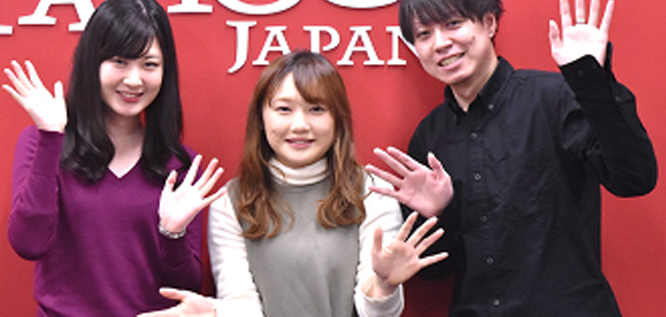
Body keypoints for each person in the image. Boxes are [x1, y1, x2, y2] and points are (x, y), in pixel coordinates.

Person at [365, 0, 658, 316]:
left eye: (453, 23)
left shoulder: (554, 98)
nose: (440, 43)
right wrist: (439, 213)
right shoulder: (430, 135)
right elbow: (437, 271)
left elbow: (634, 179)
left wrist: (591, 80)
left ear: (489, 23)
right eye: (424, 34)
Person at [140, 51, 448, 317]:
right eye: (284, 109)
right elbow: (243, 304)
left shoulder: (372, 191)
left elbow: (377, 313)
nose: (300, 125)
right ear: (262, 119)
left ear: (338, 119)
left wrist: (384, 285)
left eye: (316, 109)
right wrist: (214, 312)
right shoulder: (232, 200)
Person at [2, 0, 227, 316]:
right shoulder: (43, 143)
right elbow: (28, 243)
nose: (134, 80)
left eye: (149, 65)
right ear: (92, 62)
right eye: (120, 62)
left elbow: (185, 288)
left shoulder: (181, 166)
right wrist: (51, 137)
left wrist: (172, 232)